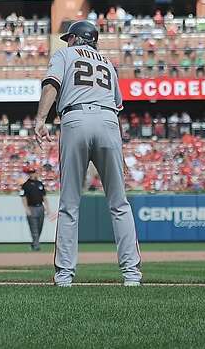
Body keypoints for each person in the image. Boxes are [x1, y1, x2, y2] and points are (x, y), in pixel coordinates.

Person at [33, 19, 141, 286]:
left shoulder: (65, 54)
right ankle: (131, 275)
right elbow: (115, 108)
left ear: (75, 38)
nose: (67, 41)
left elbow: (52, 84)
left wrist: (40, 119)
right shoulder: (107, 63)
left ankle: (65, 276)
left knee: (69, 204)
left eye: (69, 37)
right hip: (108, 124)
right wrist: (121, 152)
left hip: (75, 119)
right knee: (119, 203)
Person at [19, 167, 50, 251]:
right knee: (34, 228)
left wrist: (47, 208)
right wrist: (26, 208)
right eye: (31, 173)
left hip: (40, 207)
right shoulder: (26, 185)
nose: (32, 174)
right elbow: (23, 197)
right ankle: (36, 246)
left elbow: (44, 197)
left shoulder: (39, 184)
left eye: (33, 172)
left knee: (39, 227)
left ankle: (34, 243)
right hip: (31, 207)